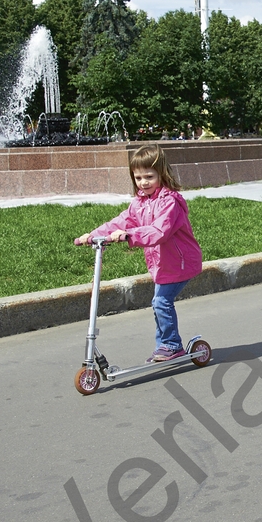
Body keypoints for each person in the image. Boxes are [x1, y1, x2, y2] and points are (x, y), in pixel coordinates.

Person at [74, 145, 204, 363]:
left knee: (161, 301)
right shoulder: (140, 203)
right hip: (163, 265)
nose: (143, 182)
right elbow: (120, 221)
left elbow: (159, 231)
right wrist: (93, 235)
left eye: (149, 176)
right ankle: (164, 345)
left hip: (181, 263)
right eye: (138, 177)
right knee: (159, 303)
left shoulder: (170, 203)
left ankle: (172, 345)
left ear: (162, 174)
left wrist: (128, 235)